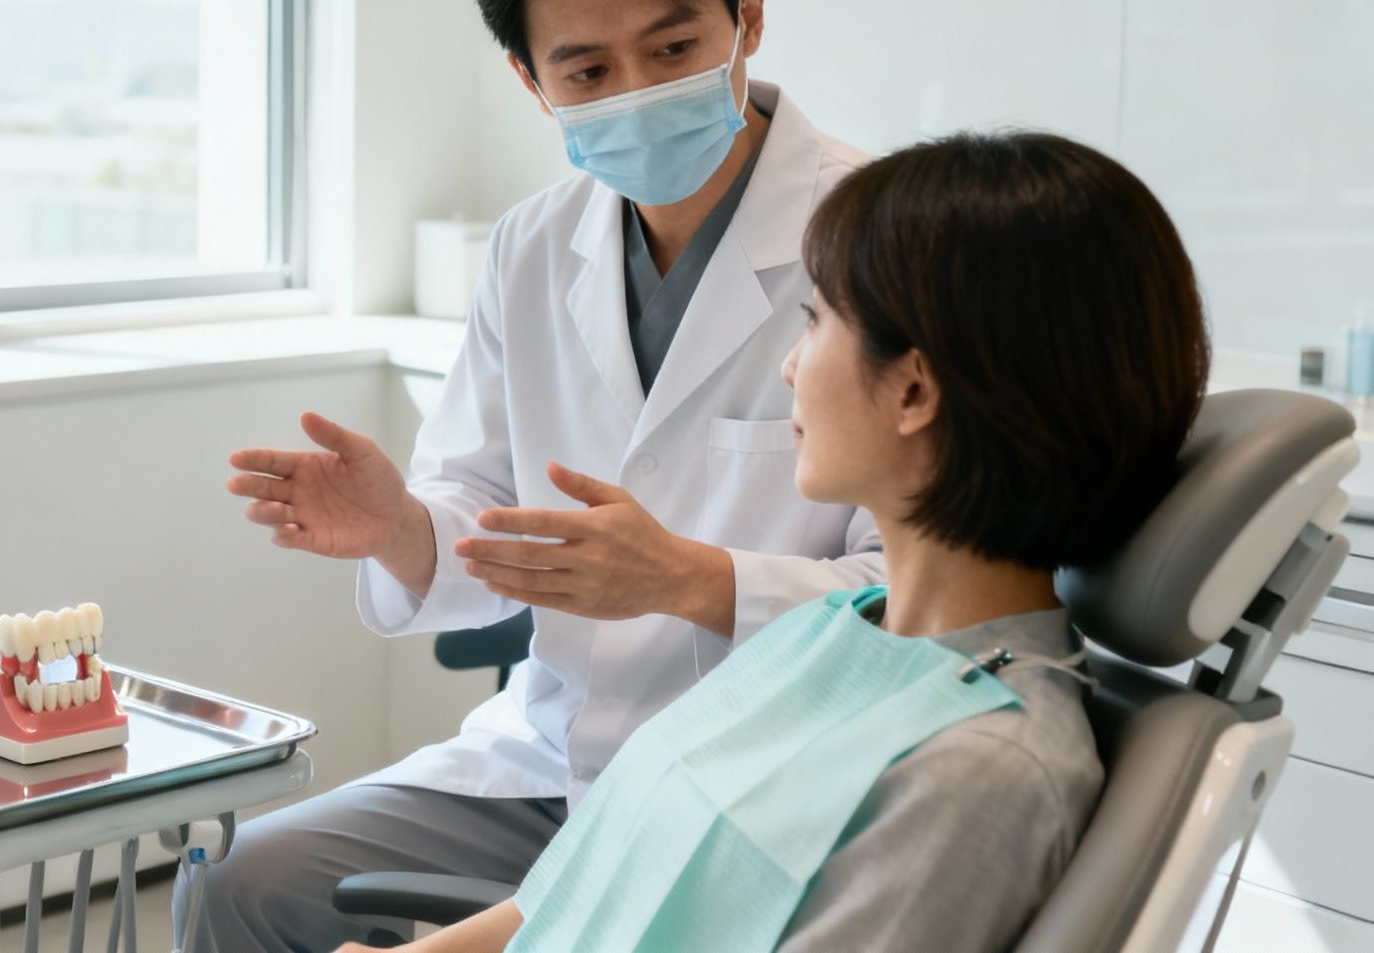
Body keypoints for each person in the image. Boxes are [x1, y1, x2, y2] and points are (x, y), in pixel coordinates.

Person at [198, 0, 885, 952]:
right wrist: (407, 530)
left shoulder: (881, 241)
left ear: (745, 17)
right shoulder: (532, 245)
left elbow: (925, 602)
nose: (636, 92)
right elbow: (480, 510)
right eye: (585, 72)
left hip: (768, 779)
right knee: (243, 883)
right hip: (550, 757)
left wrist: (697, 580)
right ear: (529, 80)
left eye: (672, 47)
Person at [336, 129, 1212, 953]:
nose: (792, 365)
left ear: (912, 393)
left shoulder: (982, 771)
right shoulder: (832, 634)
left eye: (816, 319)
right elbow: (576, 894)